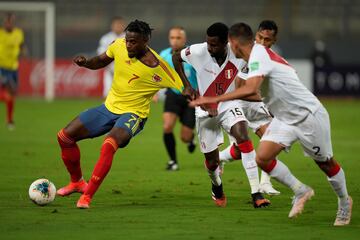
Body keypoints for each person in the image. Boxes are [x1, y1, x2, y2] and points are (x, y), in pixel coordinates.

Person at [190, 22, 352, 226]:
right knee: (263, 158)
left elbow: (250, 89)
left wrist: (212, 98)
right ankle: (301, 190)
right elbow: (246, 88)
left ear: (233, 43)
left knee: (325, 163)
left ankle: (344, 202)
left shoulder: (259, 55)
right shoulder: (252, 58)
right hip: (285, 118)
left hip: (308, 116)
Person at [56, 20, 190, 209]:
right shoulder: (119, 45)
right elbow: (101, 61)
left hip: (134, 114)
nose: (128, 45)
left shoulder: (158, 66)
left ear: (146, 40)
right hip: (108, 108)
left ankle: (87, 196)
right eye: (127, 40)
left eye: (133, 42)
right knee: (64, 137)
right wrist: (86, 63)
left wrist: (191, 93)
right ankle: (76, 182)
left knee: (109, 145)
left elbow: (184, 87)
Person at [173, 22, 270, 208]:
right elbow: (176, 57)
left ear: (227, 42)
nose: (210, 48)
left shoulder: (238, 52)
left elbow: (260, 54)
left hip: (228, 103)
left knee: (243, 137)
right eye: (208, 43)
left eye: (215, 45)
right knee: (212, 162)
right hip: (204, 111)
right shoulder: (198, 51)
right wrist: (186, 84)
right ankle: (216, 185)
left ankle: (256, 193)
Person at [219, 20, 280, 195]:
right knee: (239, 152)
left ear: (274, 41)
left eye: (268, 40)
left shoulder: (268, 57)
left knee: (272, 140)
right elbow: (240, 87)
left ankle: (265, 183)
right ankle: (219, 159)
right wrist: (265, 102)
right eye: (260, 37)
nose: (263, 42)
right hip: (237, 103)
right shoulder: (248, 53)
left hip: (255, 104)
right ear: (255, 36)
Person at [159, 26, 198, 171]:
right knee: (167, 126)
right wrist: (155, 92)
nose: (174, 41)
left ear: (184, 39)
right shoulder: (163, 55)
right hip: (173, 95)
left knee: (185, 137)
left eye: (178, 38)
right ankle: (173, 161)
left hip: (191, 99)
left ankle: (190, 139)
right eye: (172, 38)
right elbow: (155, 75)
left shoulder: (193, 55)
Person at [0, 13, 25, 130]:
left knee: (12, 94)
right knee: (9, 91)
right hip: (2, 67)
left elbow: (21, 46)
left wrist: (23, 51)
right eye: (7, 21)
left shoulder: (18, 33)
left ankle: (9, 119)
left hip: (14, 67)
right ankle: (10, 121)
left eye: (11, 21)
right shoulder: (0, 34)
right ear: (4, 22)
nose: (9, 24)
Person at [97, 16, 126, 97]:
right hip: (110, 72)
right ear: (112, 25)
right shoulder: (106, 38)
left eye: (120, 24)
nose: (118, 26)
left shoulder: (129, 37)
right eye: (116, 24)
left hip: (125, 73)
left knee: (124, 96)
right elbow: (101, 54)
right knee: (108, 95)